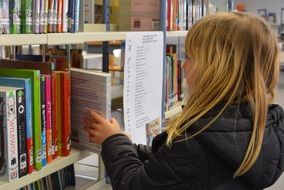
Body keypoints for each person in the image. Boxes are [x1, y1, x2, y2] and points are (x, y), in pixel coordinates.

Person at [83, 12, 284, 190]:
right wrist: (124, 143)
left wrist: (112, 141)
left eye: (189, 57)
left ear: (217, 71)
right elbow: (171, 164)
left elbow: (134, 184)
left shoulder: (197, 141)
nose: (182, 65)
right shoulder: (260, 125)